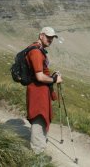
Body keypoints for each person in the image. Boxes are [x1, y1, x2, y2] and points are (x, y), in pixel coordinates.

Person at [26, 26, 62, 154]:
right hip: (37, 92)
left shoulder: (39, 50)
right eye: (48, 37)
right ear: (41, 35)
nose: (50, 40)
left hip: (40, 91)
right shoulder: (36, 52)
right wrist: (53, 80)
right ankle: (37, 154)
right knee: (39, 118)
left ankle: (39, 149)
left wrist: (52, 76)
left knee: (41, 118)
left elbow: (40, 73)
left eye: (52, 38)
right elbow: (39, 77)